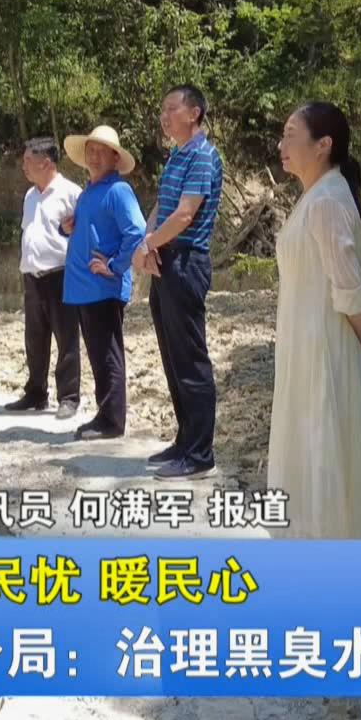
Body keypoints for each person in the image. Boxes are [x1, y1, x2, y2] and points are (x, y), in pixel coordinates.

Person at [267, 102, 361, 539]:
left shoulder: (328, 200)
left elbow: (348, 285)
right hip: (305, 343)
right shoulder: (317, 196)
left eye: (290, 134)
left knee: (322, 455)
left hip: (324, 349)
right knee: (308, 452)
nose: (281, 145)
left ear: (323, 145)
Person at [135, 84, 224, 481]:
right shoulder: (177, 154)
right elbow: (163, 206)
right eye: (162, 110)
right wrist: (147, 242)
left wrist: (151, 244)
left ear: (194, 113)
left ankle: (200, 454)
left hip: (186, 262)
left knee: (190, 358)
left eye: (171, 109)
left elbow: (186, 214)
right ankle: (185, 440)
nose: (164, 117)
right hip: (166, 260)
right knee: (172, 357)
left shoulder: (202, 155)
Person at [59, 125, 145, 441]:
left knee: (107, 355)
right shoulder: (89, 192)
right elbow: (88, 233)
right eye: (90, 150)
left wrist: (114, 266)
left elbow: (136, 231)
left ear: (114, 157)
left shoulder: (118, 190)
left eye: (101, 151)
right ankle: (104, 414)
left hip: (101, 288)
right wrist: (66, 228)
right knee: (98, 355)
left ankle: (112, 421)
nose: (94, 156)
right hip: (84, 288)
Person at [8, 137, 83, 420]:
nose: (23, 165)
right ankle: (36, 393)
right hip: (32, 276)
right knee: (34, 338)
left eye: (28, 160)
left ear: (46, 162)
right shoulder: (30, 195)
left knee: (66, 337)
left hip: (60, 275)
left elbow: (82, 233)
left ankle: (69, 397)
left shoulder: (71, 193)